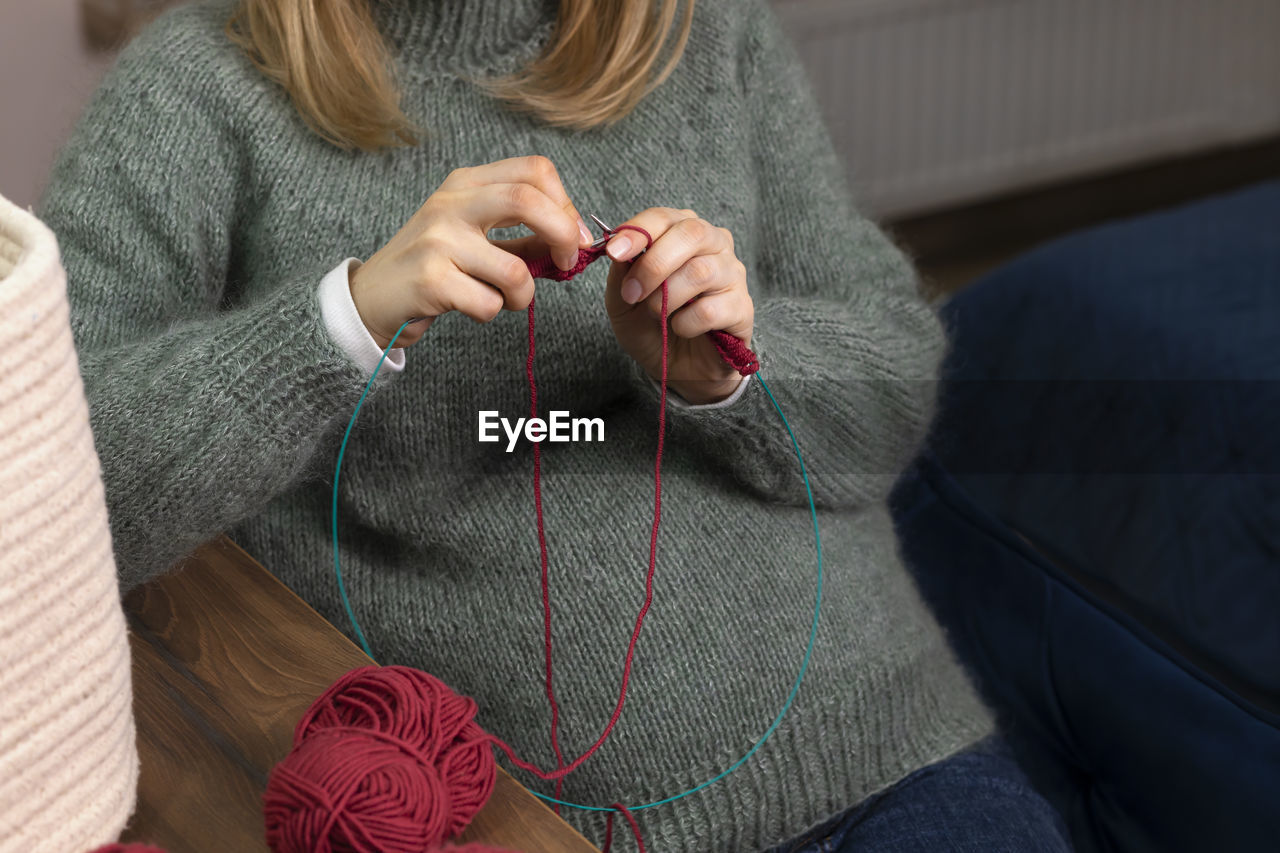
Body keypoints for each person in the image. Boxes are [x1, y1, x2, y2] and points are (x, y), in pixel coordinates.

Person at [35, 0, 1073, 849]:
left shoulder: (710, 34)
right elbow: (50, 500)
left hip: (884, 761)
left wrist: (724, 367)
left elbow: (890, 393)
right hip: (522, 815)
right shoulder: (196, 86)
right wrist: (343, 318)